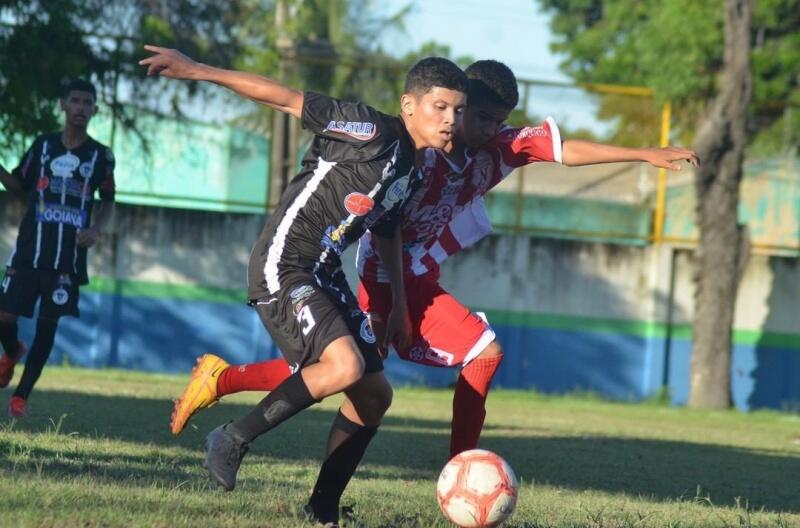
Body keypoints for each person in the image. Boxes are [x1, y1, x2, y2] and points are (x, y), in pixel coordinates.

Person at [168, 60, 698, 459]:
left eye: (497, 119)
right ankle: (461, 470)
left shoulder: (501, 146)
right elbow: (381, 213)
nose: (489, 129)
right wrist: (396, 297)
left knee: (346, 374)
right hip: (385, 271)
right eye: (479, 116)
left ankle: (225, 381)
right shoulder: (414, 145)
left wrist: (647, 154)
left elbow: (568, 150)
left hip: (415, 273)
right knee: (454, 357)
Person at [140, 45, 467, 526]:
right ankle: (232, 437)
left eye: (457, 111)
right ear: (408, 105)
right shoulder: (372, 131)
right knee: (344, 366)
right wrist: (198, 70)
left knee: (375, 395)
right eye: (440, 107)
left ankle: (323, 509)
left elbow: (388, 229)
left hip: (324, 272)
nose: (450, 120)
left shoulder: (412, 169)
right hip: (285, 263)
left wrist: (398, 304)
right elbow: (287, 99)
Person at [0, 78, 115, 418]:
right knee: (4, 316)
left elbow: (108, 200)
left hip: (67, 260)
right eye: (75, 101)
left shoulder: (100, 156)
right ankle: (11, 351)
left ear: (94, 110)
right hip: (29, 251)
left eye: (87, 102)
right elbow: (20, 184)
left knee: (47, 328)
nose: (80, 107)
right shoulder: (43, 146)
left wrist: (95, 229)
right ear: (63, 105)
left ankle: (21, 395)